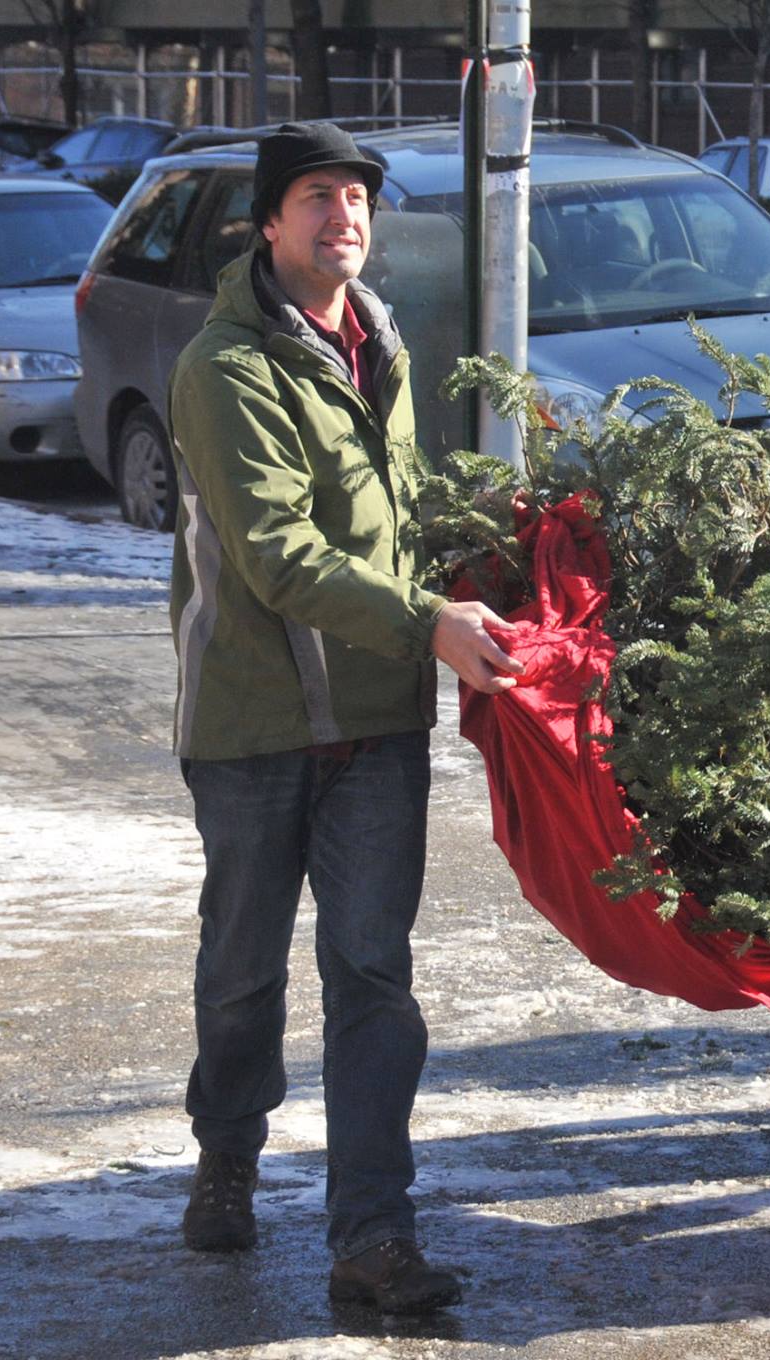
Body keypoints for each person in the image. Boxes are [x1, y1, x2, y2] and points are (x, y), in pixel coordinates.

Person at [165, 121, 523, 1313]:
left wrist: (504, 548)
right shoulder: (224, 370)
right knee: (241, 975)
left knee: (372, 975)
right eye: (317, 197)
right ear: (268, 224)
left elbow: (400, 507)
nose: (344, 217)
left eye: (358, 198)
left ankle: (371, 1235)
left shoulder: (380, 344)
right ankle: (227, 1150)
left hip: (373, 720)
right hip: (253, 722)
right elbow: (278, 557)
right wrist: (430, 623)